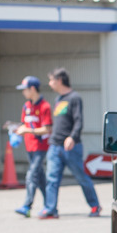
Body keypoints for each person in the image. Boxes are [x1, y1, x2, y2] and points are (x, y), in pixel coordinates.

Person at [39, 68, 101, 219]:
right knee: (52, 179)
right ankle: (50, 209)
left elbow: (79, 121)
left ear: (59, 80)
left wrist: (72, 137)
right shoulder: (58, 99)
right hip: (55, 146)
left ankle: (95, 206)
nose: (50, 83)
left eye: (51, 80)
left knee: (81, 177)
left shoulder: (74, 98)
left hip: (71, 147)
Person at [13, 76, 53, 217]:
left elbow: (47, 129)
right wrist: (16, 131)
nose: (24, 92)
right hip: (29, 146)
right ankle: (50, 204)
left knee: (31, 175)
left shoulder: (45, 107)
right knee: (39, 176)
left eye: (25, 89)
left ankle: (27, 206)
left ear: (33, 89)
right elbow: (24, 124)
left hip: (40, 147)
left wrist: (27, 130)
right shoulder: (26, 106)